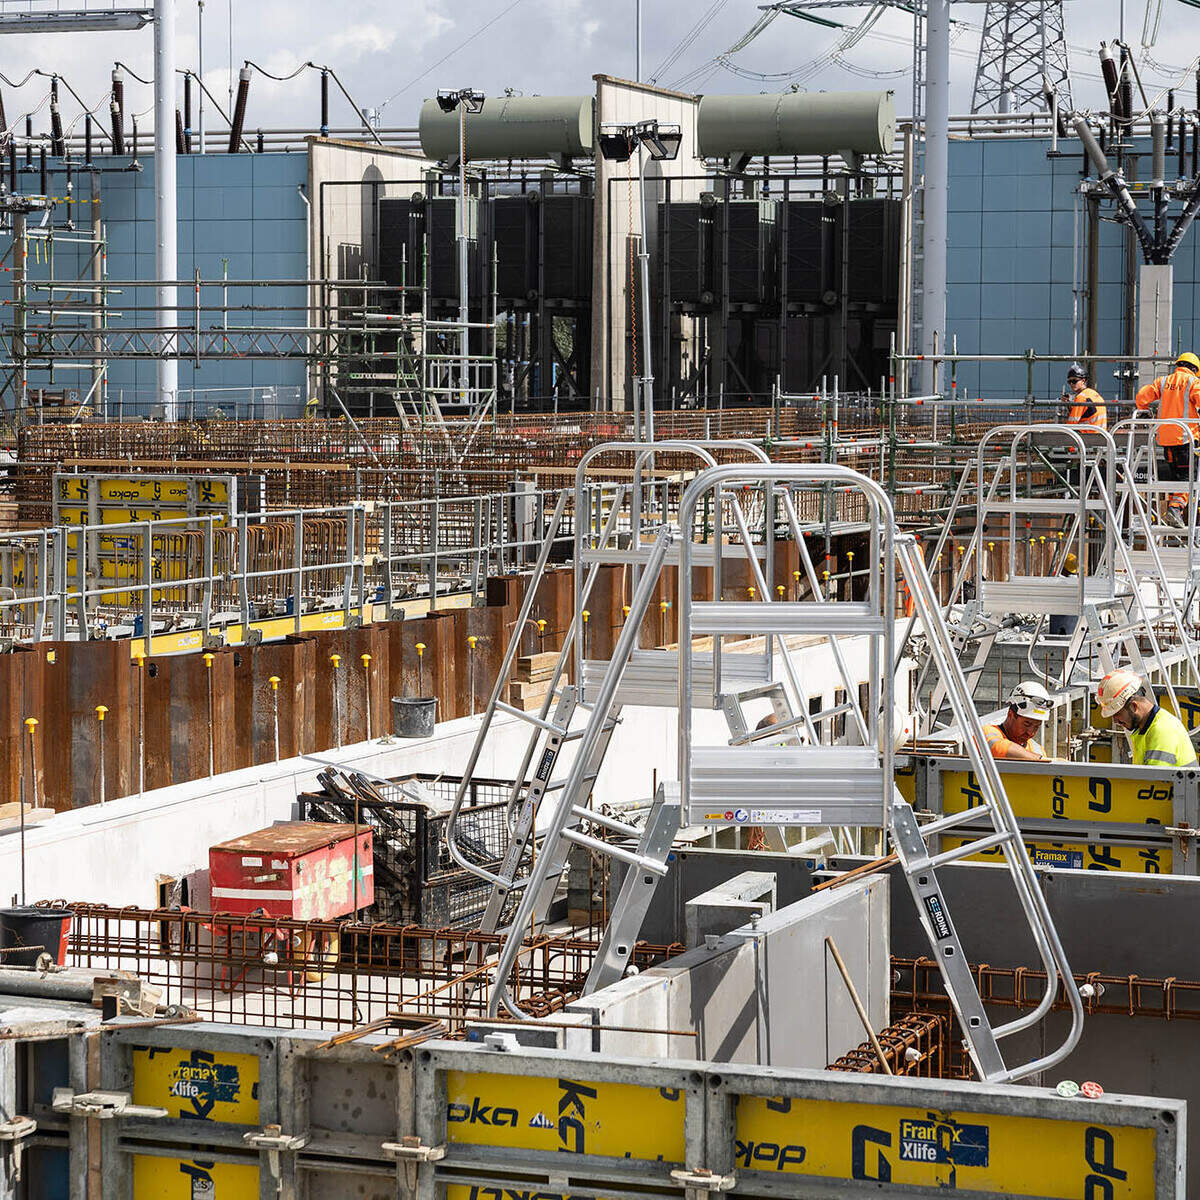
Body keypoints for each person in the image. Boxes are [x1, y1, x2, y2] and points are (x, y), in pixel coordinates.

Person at [1135, 351, 1200, 527]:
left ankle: (1173, 509)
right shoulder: (1194, 382)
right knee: (1187, 478)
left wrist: (1144, 411)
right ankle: (1175, 509)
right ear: (1194, 369)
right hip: (1186, 439)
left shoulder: (1163, 381)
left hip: (1165, 439)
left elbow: (1141, 397)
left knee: (1175, 477)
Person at [1096, 670, 1198, 767]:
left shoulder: (1161, 730)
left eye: (1117, 713)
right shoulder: (1144, 728)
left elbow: (1154, 780)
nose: (1115, 720)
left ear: (1134, 706)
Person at [982, 681, 1052, 761]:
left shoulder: (1037, 750)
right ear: (1010, 714)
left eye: (1036, 727)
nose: (1030, 732)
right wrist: (1041, 760)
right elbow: (998, 747)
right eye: (1027, 724)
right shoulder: (987, 732)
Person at [1063, 363, 1107, 431]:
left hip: (1087, 436)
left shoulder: (1081, 397)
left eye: (1074, 381)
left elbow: (1071, 423)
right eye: (1069, 382)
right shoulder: (1093, 393)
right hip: (1100, 434)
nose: (1071, 384)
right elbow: (1086, 415)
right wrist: (1069, 405)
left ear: (1083, 381)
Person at [1048, 552, 1079, 638]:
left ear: (1063, 567)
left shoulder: (1060, 580)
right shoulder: (1077, 579)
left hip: (1058, 618)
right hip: (1073, 622)